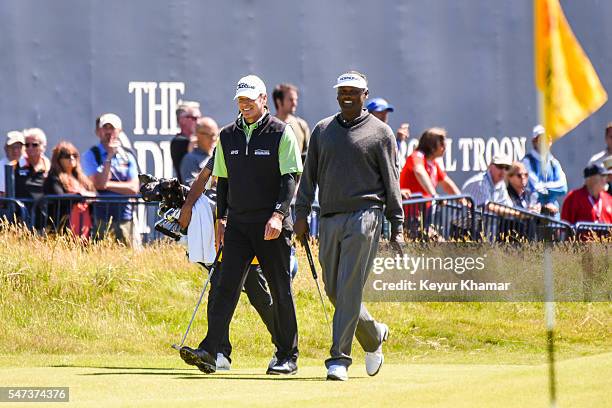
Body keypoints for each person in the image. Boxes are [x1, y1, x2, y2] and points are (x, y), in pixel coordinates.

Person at [179, 74, 302, 375]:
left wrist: (278, 215)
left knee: (279, 289)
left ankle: (287, 354)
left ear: (263, 100)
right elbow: (222, 182)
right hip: (238, 225)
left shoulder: (280, 132)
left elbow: (290, 178)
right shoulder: (227, 135)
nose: (245, 104)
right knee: (224, 286)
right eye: (241, 100)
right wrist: (222, 219)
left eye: (250, 99)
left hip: (270, 224)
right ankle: (211, 349)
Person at [294, 71, 404, 381]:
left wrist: (396, 224)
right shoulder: (323, 130)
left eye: (353, 91)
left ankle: (338, 359)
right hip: (329, 217)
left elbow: (391, 181)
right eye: (343, 90)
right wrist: (300, 212)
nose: (347, 95)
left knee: (349, 287)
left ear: (365, 94)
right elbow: (309, 176)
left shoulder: (381, 133)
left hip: (365, 215)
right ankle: (372, 334)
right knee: (334, 289)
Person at [81, 113, 139, 245]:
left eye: (112, 128)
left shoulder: (128, 155)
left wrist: (106, 184)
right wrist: (109, 157)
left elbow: (133, 188)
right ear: (98, 131)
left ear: (119, 131)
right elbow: (98, 184)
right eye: (105, 128)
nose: (108, 132)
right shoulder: (91, 155)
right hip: (101, 219)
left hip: (126, 218)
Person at [43, 142, 95, 235]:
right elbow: (59, 197)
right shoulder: (54, 177)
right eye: (66, 155)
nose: (71, 158)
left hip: (85, 224)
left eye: (74, 155)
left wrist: (82, 196)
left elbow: (95, 194)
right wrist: (80, 196)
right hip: (64, 227)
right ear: (58, 159)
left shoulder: (82, 178)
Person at [399, 127, 461, 199]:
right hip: (409, 209)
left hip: (424, 209)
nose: (444, 147)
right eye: (441, 143)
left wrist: (461, 199)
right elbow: (419, 172)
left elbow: (446, 183)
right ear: (431, 146)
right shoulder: (416, 156)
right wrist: (434, 195)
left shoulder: (433, 163)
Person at [522, 125, 568, 218]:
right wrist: (552, 190)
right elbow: (535, 187)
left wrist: (545, 187)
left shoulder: (554, 163)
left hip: (553, 213)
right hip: (534, 213)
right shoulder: (527, 161)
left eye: (548, 139)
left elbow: (563, 187)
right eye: (541, 139)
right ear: (534, 141)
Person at [272, 83, 310, 163]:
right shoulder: (268, 127)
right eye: (291, 100)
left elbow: (308, 155)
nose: (295, 103)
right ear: (279, 101)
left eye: (296, 100)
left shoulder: (301, 125)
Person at [14, 128, 51, 204]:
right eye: (27, 145)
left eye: (35, 145)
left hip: (44, 213)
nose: (30, 148)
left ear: (43, 147)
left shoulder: (49, 166)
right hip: (21, 213)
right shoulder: (15, 166)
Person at [180, 117, 218, 186]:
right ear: (198, 134)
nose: (213, 138)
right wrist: (214, 181)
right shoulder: (190, 159)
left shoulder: (220, 156)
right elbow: (190, 186)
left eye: (215, 135)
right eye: (209, 135)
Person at [170, 101, 202, 183]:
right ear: (182, 120)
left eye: (199, 118)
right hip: (189, 192)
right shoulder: (178, 142)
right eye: (194, 118)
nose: (198, 122)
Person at [0, 131, 25, 196]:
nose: (15, 151)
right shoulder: (1, 166)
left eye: (19, 147)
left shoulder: (29, 163)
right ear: (6, 148)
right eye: (12, 147)